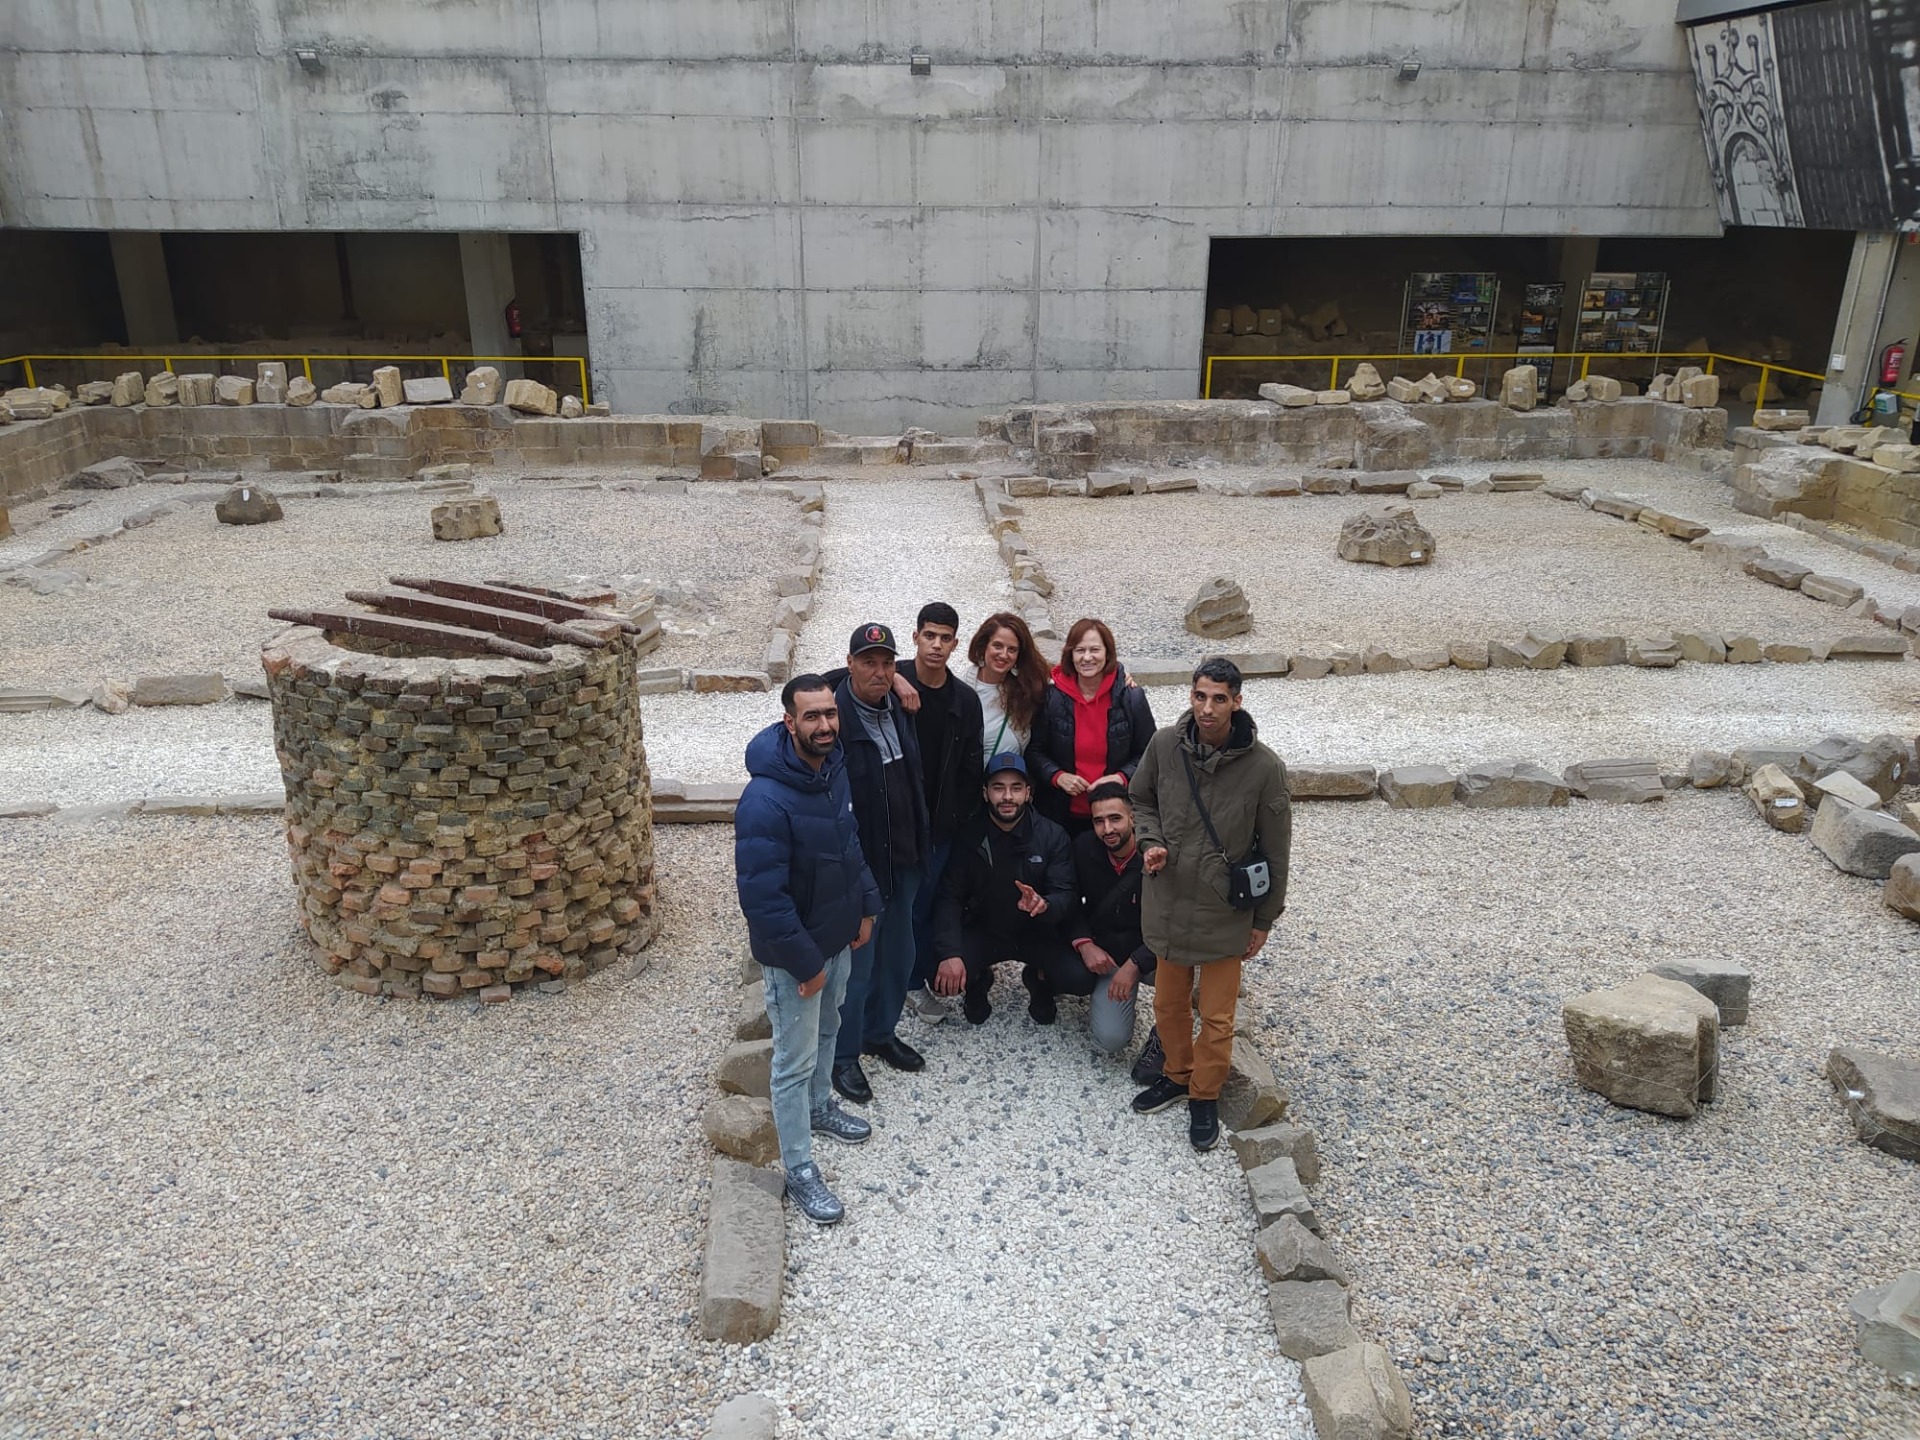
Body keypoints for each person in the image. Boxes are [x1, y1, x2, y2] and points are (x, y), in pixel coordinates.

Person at [733, 674, 881, 1225]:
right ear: (789, 721)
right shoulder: (764, 800)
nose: (825, 725)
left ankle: (820, 1108)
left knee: (829, 1028)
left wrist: (866, 906)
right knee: (793, 1062)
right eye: (812, 716)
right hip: (797, 957)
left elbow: (849, 842)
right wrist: (805, 964)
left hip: (837, 936)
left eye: (830, 713)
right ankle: (798, 1167)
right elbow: (763, 899)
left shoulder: (831, 768)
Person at [1127, 658, 1291, 1152]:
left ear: (1237, 701)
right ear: (1191, 695)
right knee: (1168, 1004)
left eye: (1219, 698)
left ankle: (1205, 1093)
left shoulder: (1265, 768)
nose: (1208, 708)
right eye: (1200, 696)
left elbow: (1276, 851)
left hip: (1225, 909)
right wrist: (1150, 841)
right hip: (1169, 897)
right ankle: (1178, 1075)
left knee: (1218, 1018)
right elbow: (1141, 800)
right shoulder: (1163, 745)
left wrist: (1265, 919)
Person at [831, 623, 933, 1105]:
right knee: (859, 965)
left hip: (906, 857)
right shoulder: (834, 720)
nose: (879, 671)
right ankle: (843, 1055)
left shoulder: (899, 708)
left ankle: (879, 1032)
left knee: (899, 954)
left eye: (888, 663)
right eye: (868, 662)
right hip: (866, 864)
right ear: (849, 663)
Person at [929, 754, 1078, 1025]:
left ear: (1028, 793)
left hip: (1036, 931)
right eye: (998, 787)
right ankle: (978, 978)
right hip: (984, 929)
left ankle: (1039, 978)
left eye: (1016, 788)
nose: (1007, 796)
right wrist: (950, 953)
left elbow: (1066, 893)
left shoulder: (1052, 835)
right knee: (937, 973)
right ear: (985, 793)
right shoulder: (968, 836)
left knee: (1080, 977)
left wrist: (1045, 905)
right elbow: (949, 896)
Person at [901, 603, 985, 1025]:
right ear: (915, 636)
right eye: (929, 635)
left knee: (924, 905)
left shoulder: (965, 700)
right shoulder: (889, 678)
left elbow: (972, 769)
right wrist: (895, 679)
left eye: (945, 638)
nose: (936, 645)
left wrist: (956, 821)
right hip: (893, 822)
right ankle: (889, 980)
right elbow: (832, 682)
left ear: (955, 643)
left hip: (938, 827)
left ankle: (914, 979)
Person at [1031, 617, 1156, 838]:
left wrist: (1121, 778)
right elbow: (1034, 750)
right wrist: (1057, 776)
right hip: (1060, 813)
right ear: (1070, 654)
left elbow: (1149, 753)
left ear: (1108, 653)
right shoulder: (1051, 698)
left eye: (1095, 650)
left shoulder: (1131, 697)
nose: (1087, 657)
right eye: (1080, 650)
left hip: (1114, 816)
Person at [1069, 782, 1163, 1074]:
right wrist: (1084, 943)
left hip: (1154, 952)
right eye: (1099, 821)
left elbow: (1176, 922)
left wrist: (1136, 963)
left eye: (1115, 818)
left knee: (1189, 968)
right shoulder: (1083, 848)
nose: (1107, 829)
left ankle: (1165, 1034)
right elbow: (1069, 900)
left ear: (1133, 818)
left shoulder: (1158, 854)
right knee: (1111, 1039)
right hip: (1108, 953)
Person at [961, 611, 1047, 768]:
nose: (1004, 655)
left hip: (1009, 781)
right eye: (997, 646)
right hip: (967, 780)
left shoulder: (1028, 690)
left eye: (1012, 649)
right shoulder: (960, 690)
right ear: (983, 646)